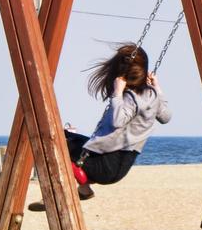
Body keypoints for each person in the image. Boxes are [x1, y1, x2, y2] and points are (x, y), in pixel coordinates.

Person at [29, 43, 171, 211]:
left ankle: (55, 196)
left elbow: (117, 121)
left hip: (105, 167)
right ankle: (84, 188)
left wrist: (117, 93)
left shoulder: (129, 98)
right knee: (66, 136)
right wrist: (157, 87)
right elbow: (166, 117)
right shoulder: (152, 95)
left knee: (54, 140)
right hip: (117, 165)